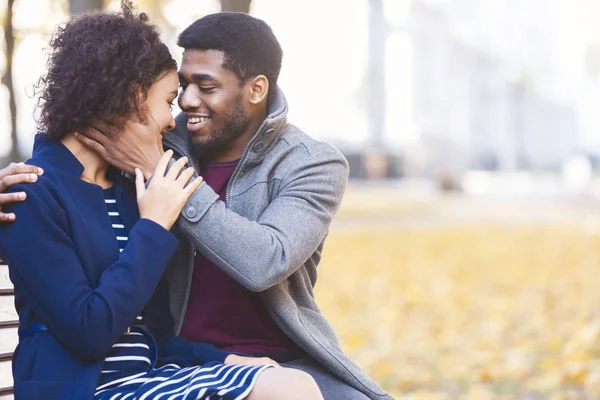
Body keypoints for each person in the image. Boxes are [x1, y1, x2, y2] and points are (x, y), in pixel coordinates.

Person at [0, 3, 323, 400]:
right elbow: (90, 333)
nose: (175, 119)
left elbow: (145, 336)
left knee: (292, 385)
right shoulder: (31, 192)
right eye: (169, 99)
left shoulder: (127, 189)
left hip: (144, 381)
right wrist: (153, 226)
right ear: (133, 97)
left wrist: (225, 361)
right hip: (83, 390)